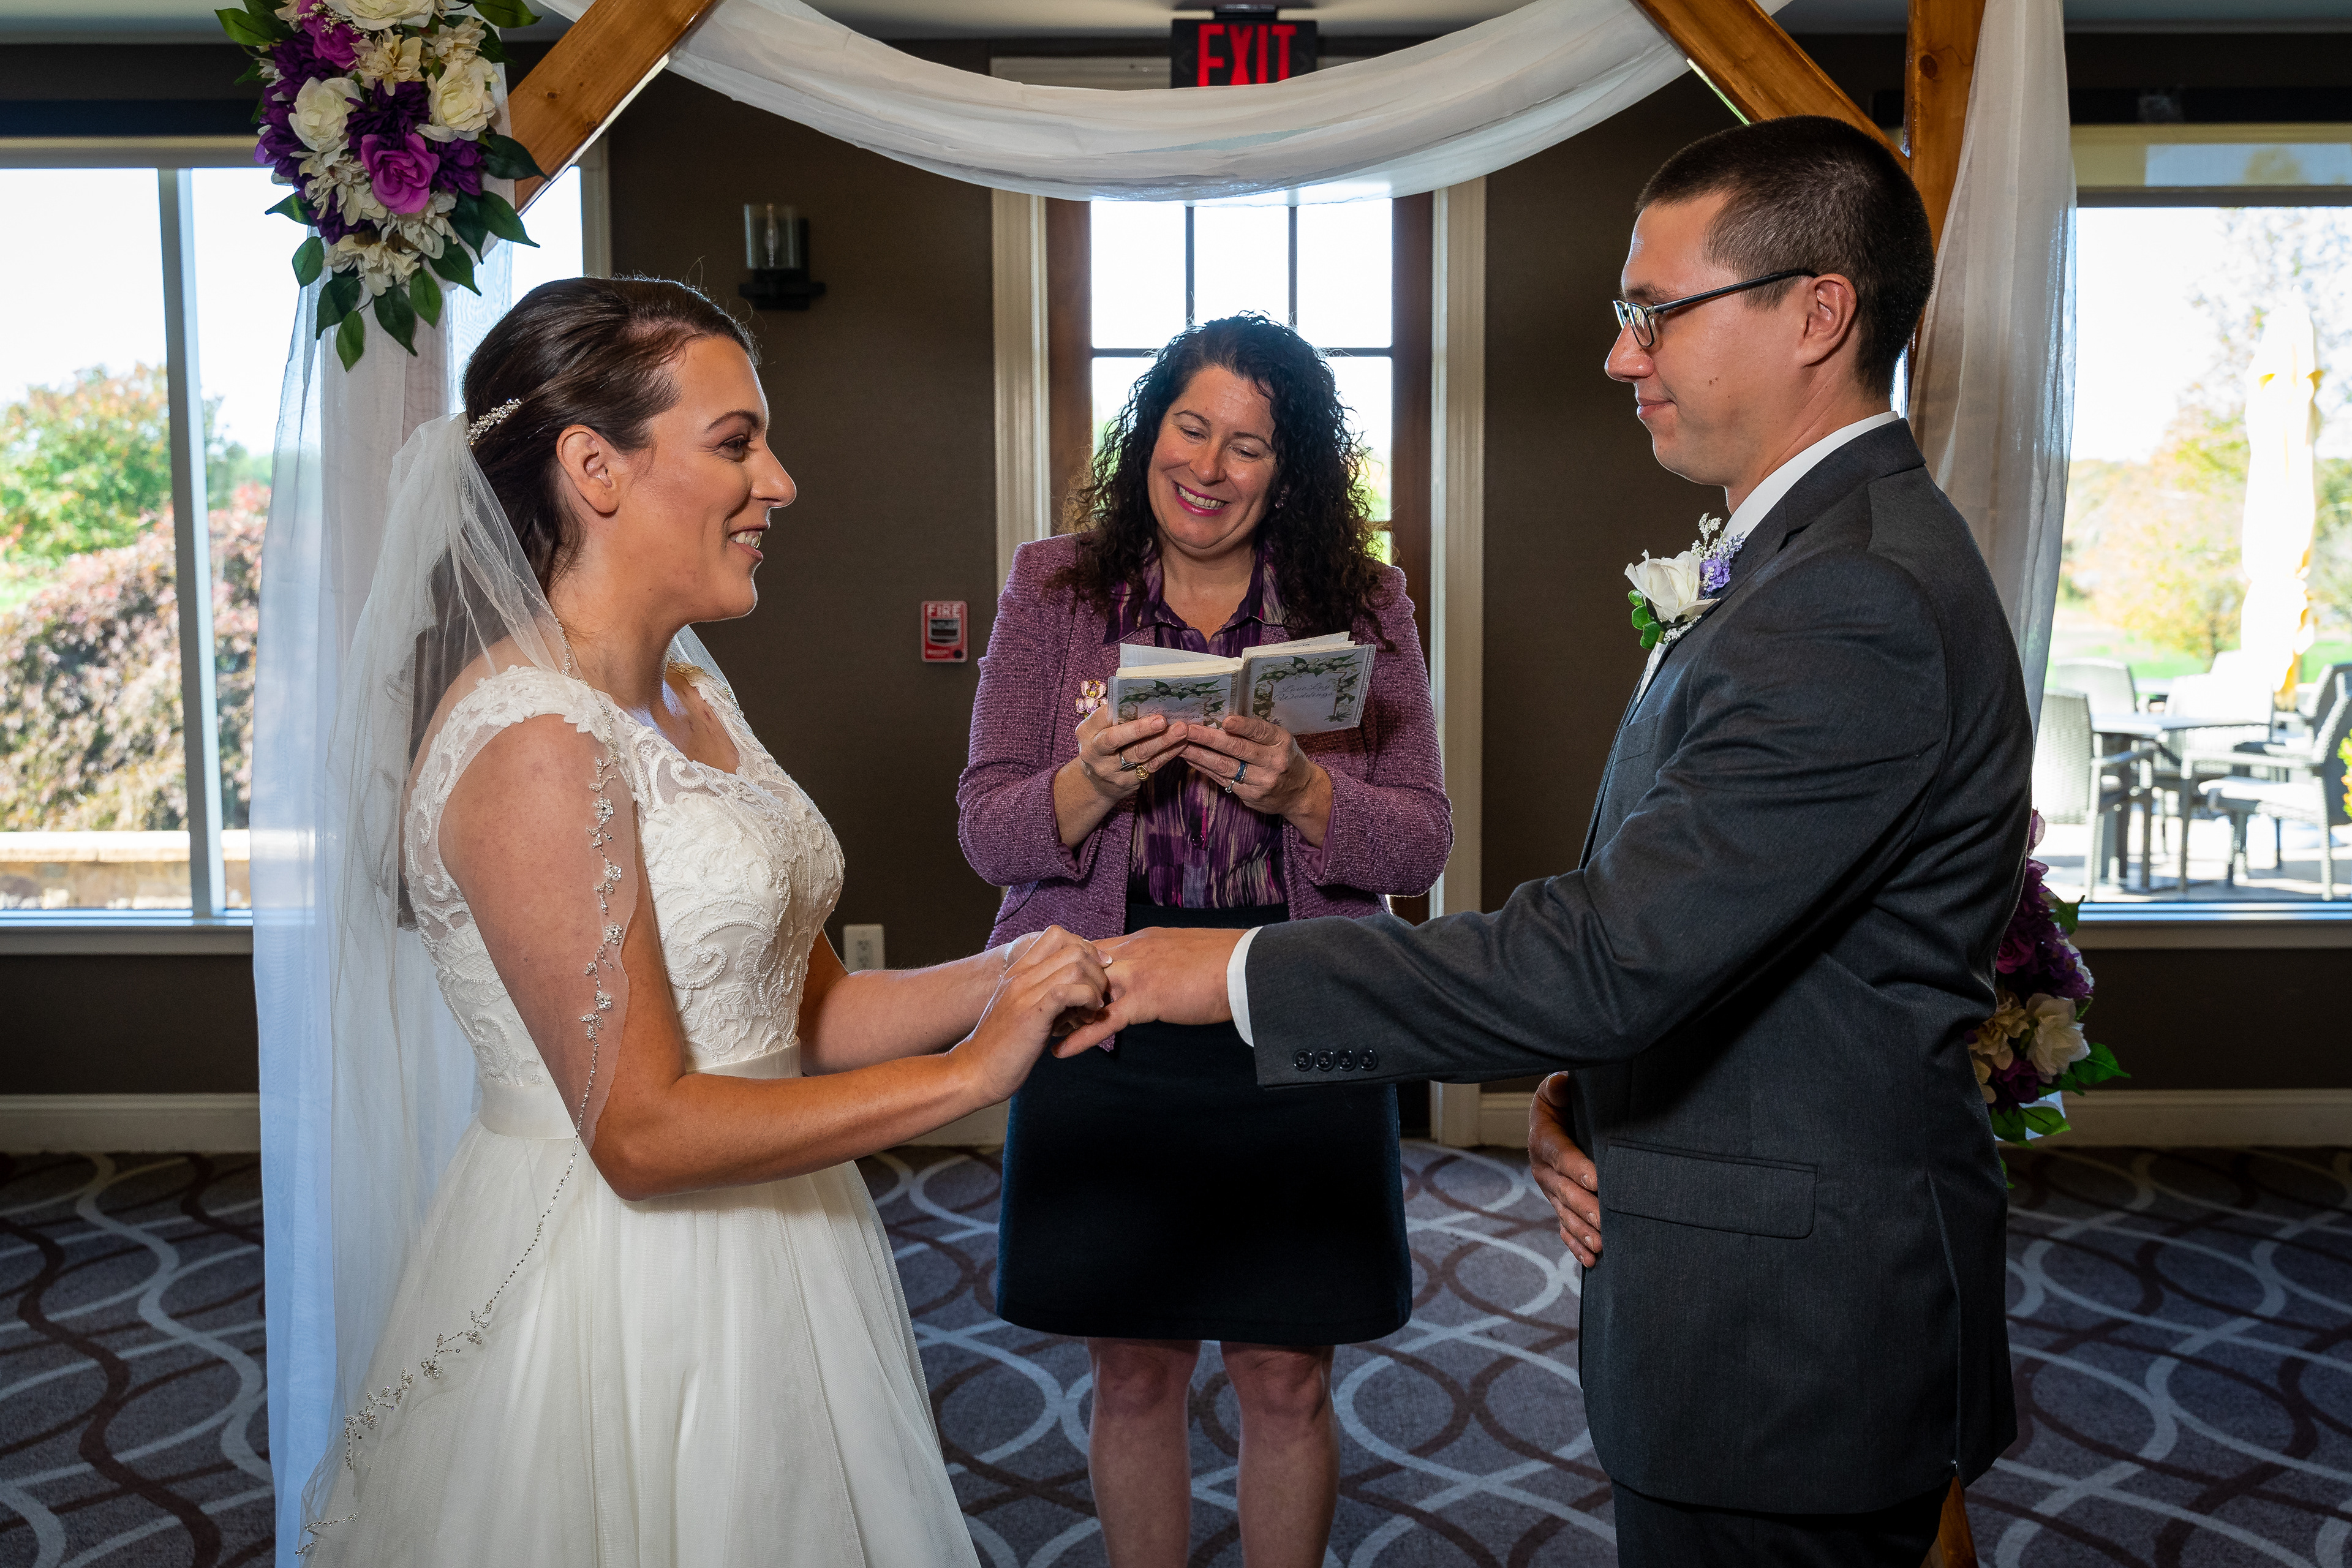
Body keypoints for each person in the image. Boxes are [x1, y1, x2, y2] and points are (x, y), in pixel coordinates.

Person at [1076, 117, 2030, 1567]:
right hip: (1745, 1265)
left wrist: (1227, 971)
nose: (1619, 353)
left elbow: (1609, 951)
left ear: (1817, 313)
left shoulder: (1855, 599)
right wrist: (1590, 1084)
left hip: (1790, 1333)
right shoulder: (1805, 558)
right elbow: (1712, 918)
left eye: (1656, 311)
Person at [300, 276, 1107, 1566]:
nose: (778, 482)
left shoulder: (688, 693)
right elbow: (640, 1133)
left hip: (785, 1225)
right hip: (624, 1280)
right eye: (737, 442)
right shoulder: (533, 740)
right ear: (595, 468)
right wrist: (970, 1075)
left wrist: (1023, 970)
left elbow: (810, 1012)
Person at [959, 314, 1450, 1567]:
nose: (1210, 468)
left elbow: (1421, 845)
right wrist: (1090, 782)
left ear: (1290, 471)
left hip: (1295, 1012)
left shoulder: (1365, 601)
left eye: (1249, 445)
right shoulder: (1053, 587)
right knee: (1133, 1370)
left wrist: (1309, 795)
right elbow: (989, 832)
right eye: (1191, 428)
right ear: (1149, 433)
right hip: (1104, 1014)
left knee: (1285, 1375)